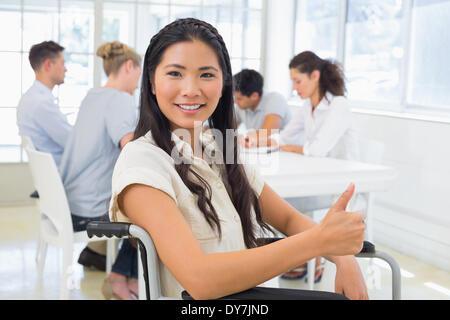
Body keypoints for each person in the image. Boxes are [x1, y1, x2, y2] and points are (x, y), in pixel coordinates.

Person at [109, 18, 368, 300]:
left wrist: (344, 259)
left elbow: (289, 219)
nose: (191, 89)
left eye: (206, 75)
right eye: (175, 73)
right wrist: (318, 242)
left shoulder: (219, 148)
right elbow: (200, 280)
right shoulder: (142, 161)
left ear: (223, 85)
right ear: (152, 82)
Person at [59, 41, 142, 300]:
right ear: (129, 66)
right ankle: (123, 277)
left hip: (70, 202)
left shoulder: (93, 95)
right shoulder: (120, 100)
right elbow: (130, 147)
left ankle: (127, 277)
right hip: (90, 210)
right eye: (140, 73)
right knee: (147, 211)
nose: (140, 82)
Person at [269, 51, 360, 281]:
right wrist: (262, 140)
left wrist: (290, 148)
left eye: (298, 81)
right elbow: (285, 138)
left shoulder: (338, 105)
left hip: (340, 187)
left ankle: (310, 257)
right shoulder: (307, 106)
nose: (294, 87)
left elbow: (317, 150)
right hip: (318, 178)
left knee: (287, 202)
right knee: (282, 201)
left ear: (315, 76)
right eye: (292, 81)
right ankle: (304, 257)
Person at [17, 40, 71, 167]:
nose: (65, 69)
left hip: (53, 171)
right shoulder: (41, 103)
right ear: (48, 65)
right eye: (62, 63)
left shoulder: (30, 98)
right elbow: (72, 142)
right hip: (65, 173)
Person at [233, 69, 291, 148]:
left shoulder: (275, 100)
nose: (235, 101)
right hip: (261, 151)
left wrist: (239, 137)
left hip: (285, 152)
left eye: (239, 98)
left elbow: (264, 136)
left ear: (254, 96)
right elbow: (228, 128)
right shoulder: (242, 105)